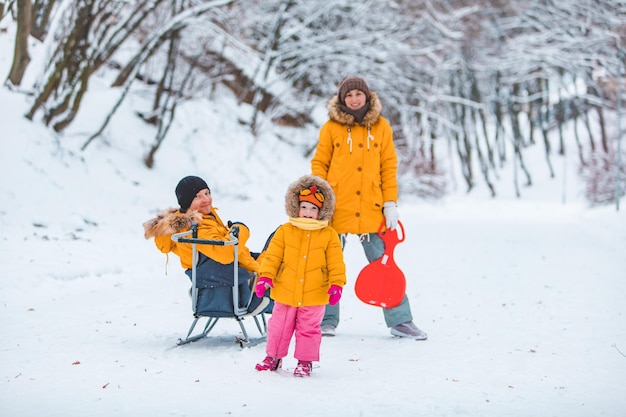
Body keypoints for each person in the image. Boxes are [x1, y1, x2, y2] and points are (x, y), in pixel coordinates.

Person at [311, 75, 428, 340]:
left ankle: (401, 321)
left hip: (372, 209)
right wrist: (321, 198)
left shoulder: (382, 127)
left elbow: (389, 166)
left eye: (358, 94)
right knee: (328, 265)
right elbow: (319, 163)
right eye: (349, 95)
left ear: (367, 96)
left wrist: (390, 203)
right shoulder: (331, 127)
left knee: (385, 264)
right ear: (342, 99)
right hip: (336, 209)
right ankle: (325, 320)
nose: (354, 99)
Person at [254, 175, 346, 377]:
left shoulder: (329, 234)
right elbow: (273, 256)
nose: (308, 212)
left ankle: (305, 361)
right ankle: (273, 357)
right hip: (285, 291)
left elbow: (336, 262)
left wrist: (336, 284)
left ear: (322, 211)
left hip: (315, 294)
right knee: (279, 326)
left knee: (309, 329)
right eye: (304, 207)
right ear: (296, 207)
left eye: (314, 209)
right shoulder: (285, 231)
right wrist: (265, 277)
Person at [143, 175, 263, 315]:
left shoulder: (204, 216)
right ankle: (258, 299)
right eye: (198, 196)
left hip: (218, 275)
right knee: (278, 254)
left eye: (207, 193)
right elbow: (226, 253)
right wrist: (241, 229)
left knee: (276, 253)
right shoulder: (195, 227)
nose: (206, 199)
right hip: (225, 279)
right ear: (187, 202)